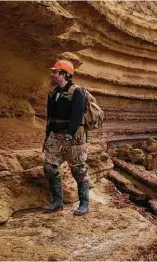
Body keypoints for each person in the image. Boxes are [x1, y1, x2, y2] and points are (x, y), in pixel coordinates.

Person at [42, 59, 89, 216]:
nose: (53, 74)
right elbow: (50, 117)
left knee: (78, 169)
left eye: (55, 72)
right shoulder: (53, 93)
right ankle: (57, 203)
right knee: (49, 166)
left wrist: (68, 137)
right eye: (53, 72)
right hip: (55, 135)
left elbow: (76, 117)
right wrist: (48, 135)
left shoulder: (77, 92)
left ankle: (84, 205)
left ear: (64, 75)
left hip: (74, 136)